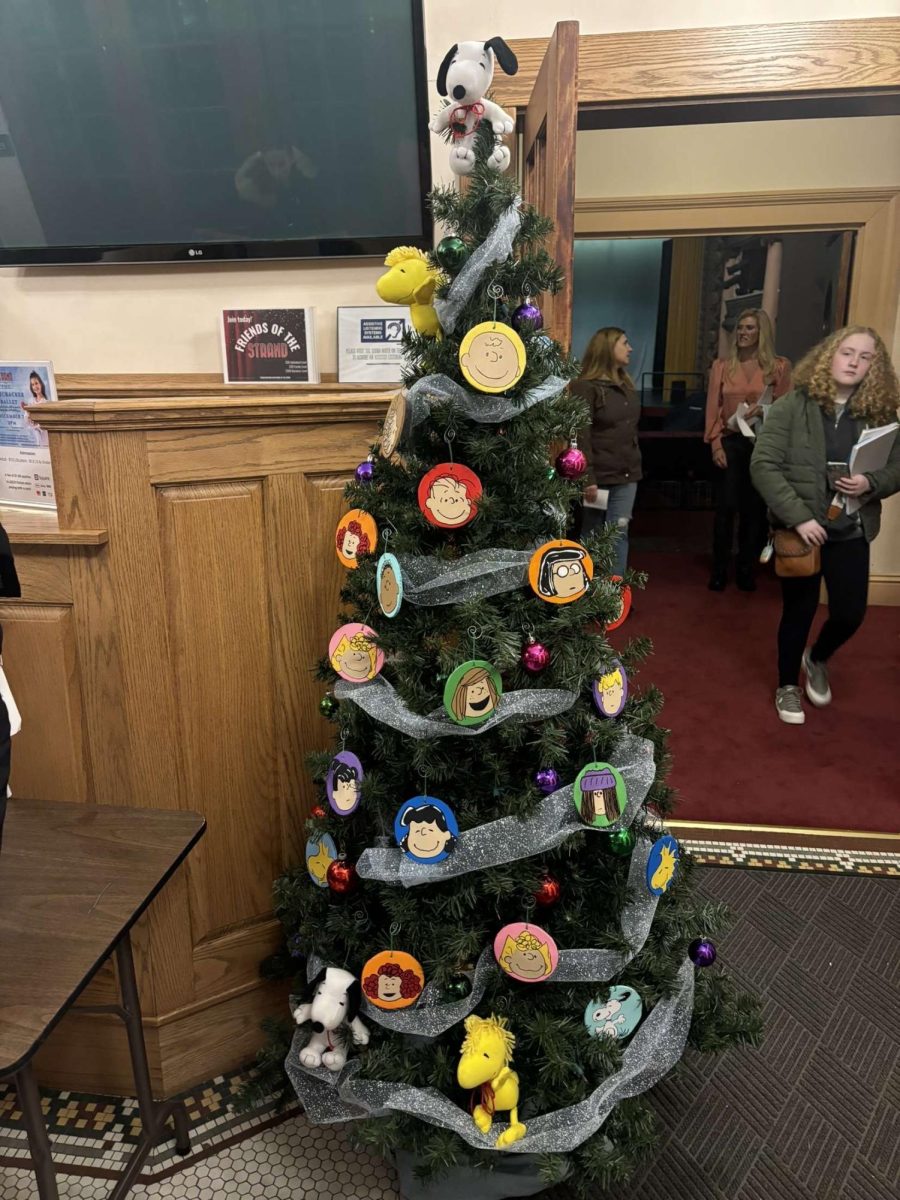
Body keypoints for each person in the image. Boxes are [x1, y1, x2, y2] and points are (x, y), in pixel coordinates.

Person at [751, 325, 900, 726]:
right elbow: (763, 466)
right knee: (797, 611)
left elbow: (897, 467)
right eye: (847, 352)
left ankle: (816, 658)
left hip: (852, 527)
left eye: (865, 356)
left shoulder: (881, 413)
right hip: (802, 530)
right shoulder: (792, 405)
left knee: (850, 614)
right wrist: (797, 517)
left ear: (875, 366)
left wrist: (873, 482)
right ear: (828, 356)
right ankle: (787, 685)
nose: (854, 362)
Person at [705, 309, 792, 591]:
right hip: (731, 441)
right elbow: (712, 409)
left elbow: (786, 410)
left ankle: (746, 569)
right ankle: (719, 570)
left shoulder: (778, 367)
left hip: (762, 443)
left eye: (750, 328)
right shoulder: (722, 366)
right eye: (740, 328)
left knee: (754, 510)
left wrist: (764, 410)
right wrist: (715, 444)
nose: (743, 332)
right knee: (725, 508)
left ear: (761, 333)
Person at [571, 328, 641, 578]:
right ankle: (586, 592)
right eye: (625, 343)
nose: (630, 348)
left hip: (626, 476)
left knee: (619, 532)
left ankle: (614, 596)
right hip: (597, 479)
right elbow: (580, 435)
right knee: (592, 533)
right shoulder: (585, 387)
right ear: (608, 349)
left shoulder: (626, 386)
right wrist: (587, 477)